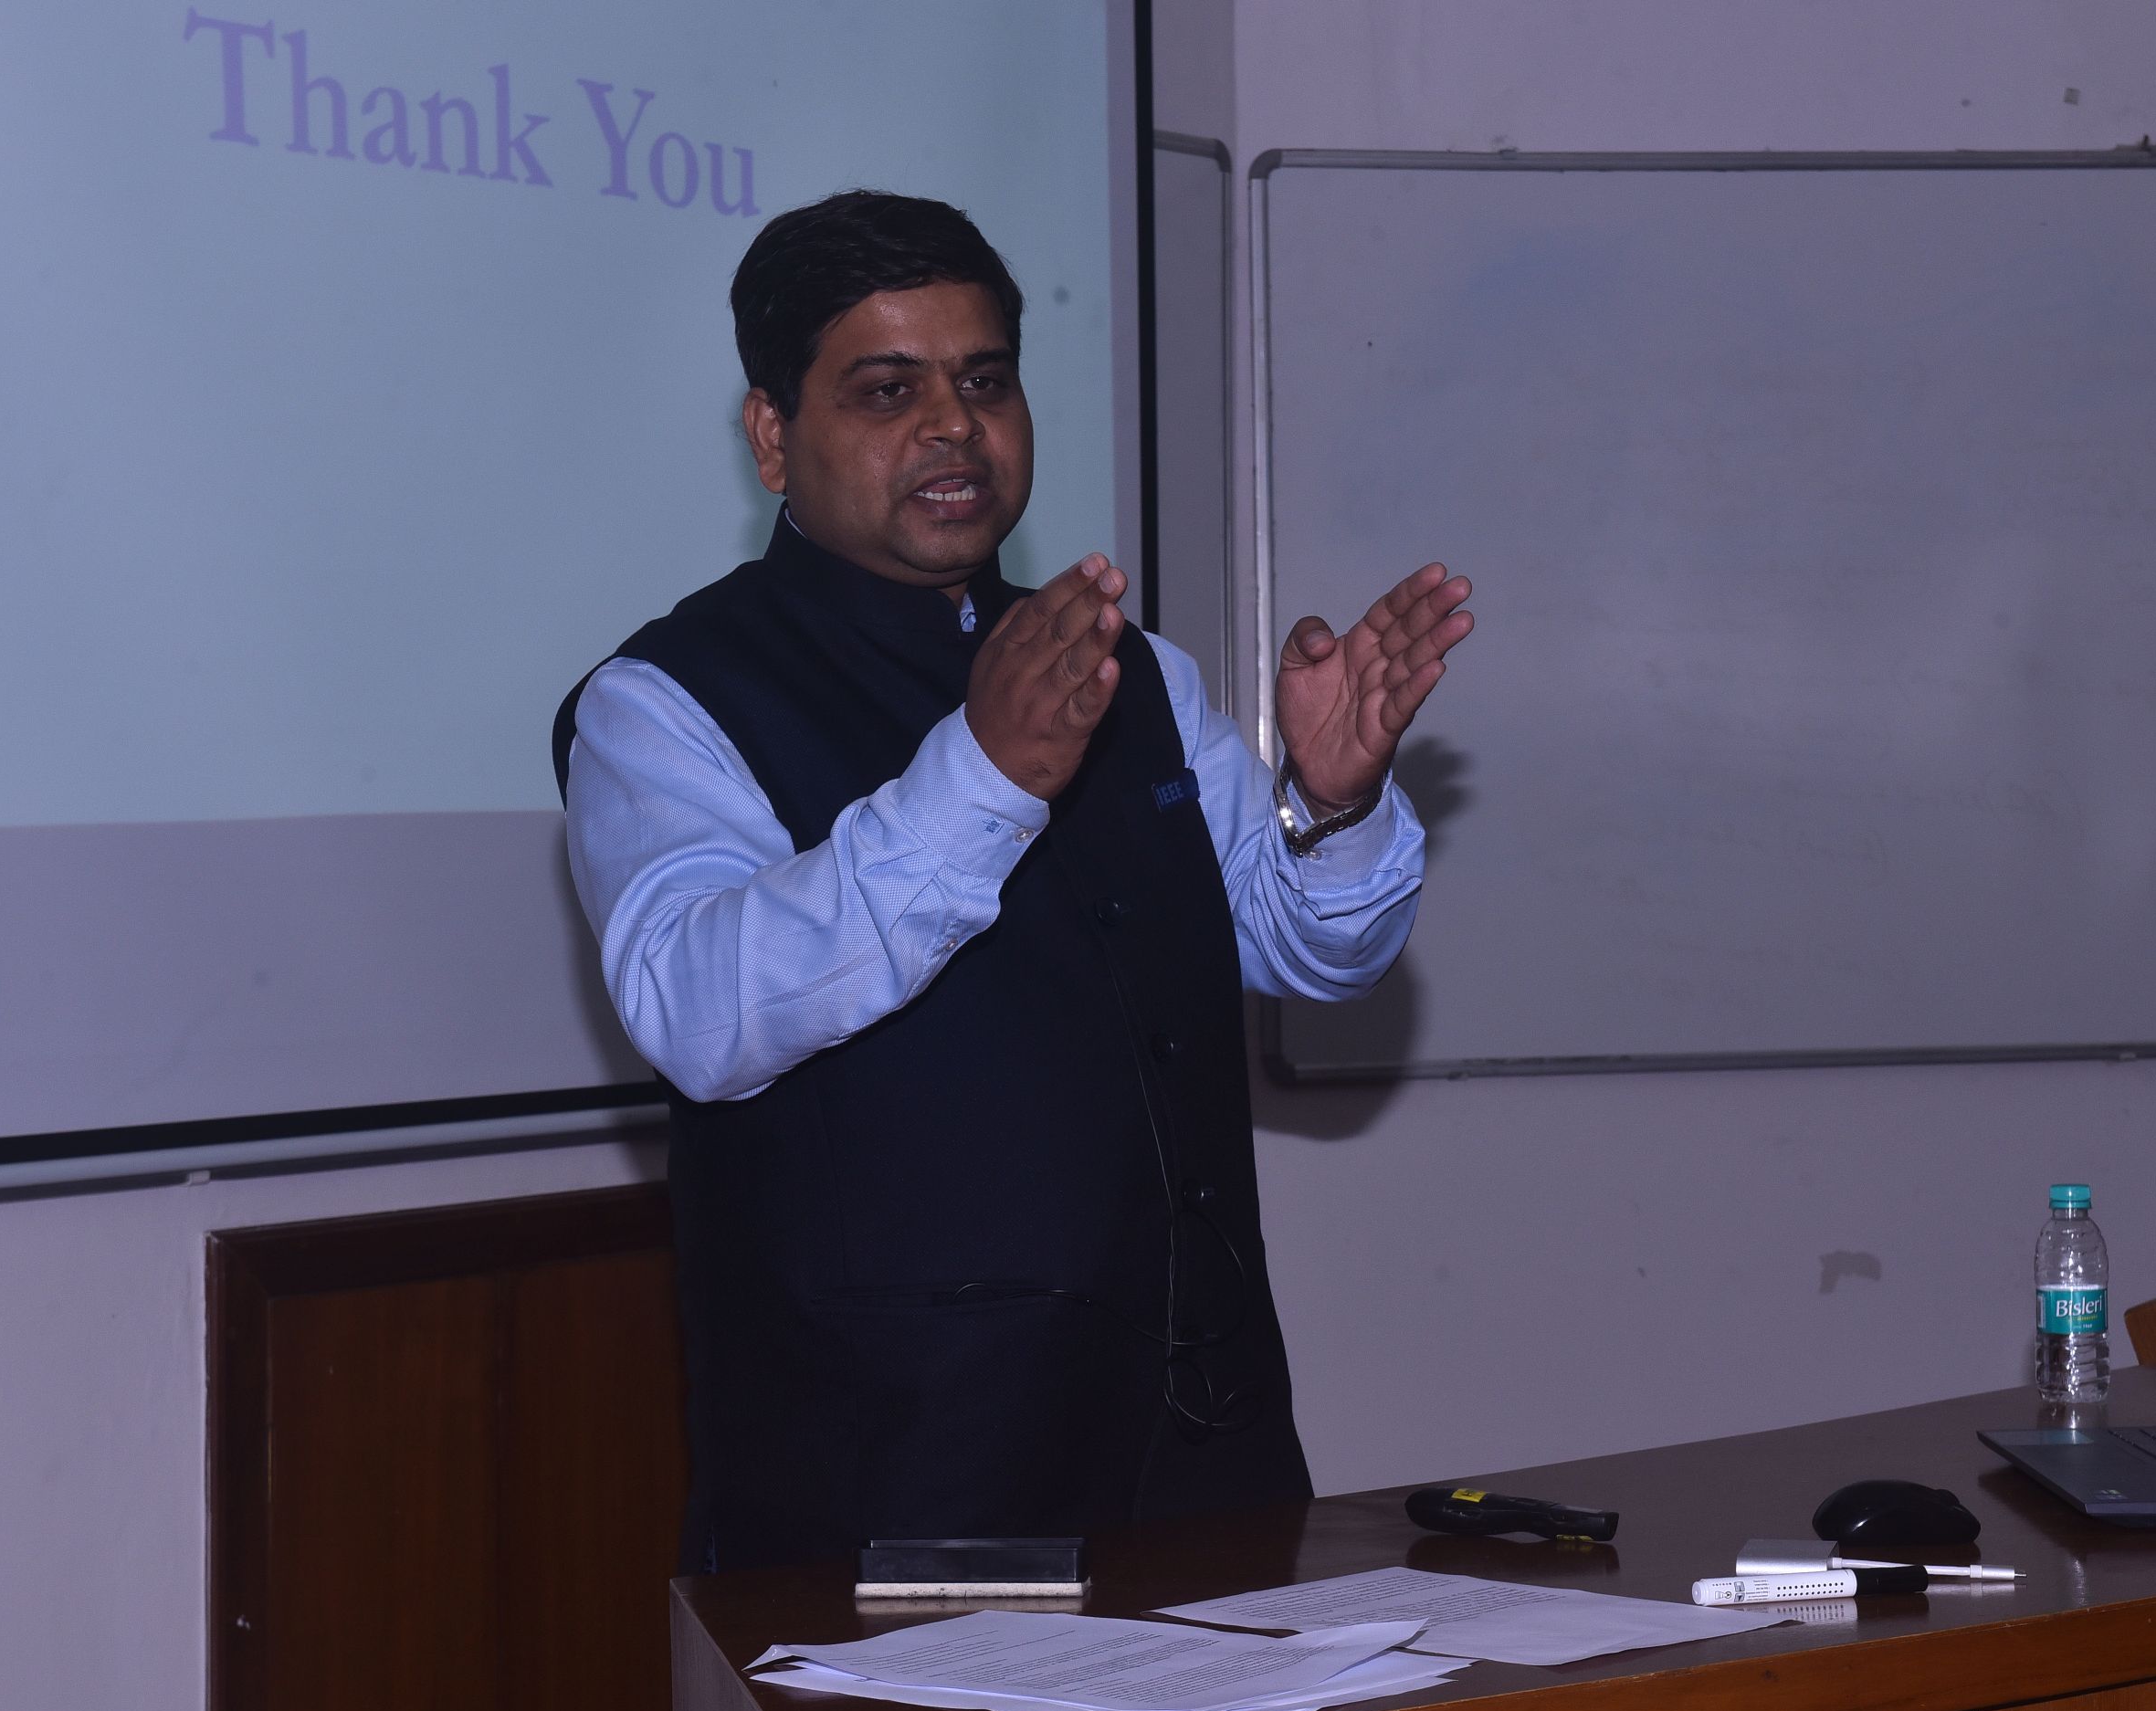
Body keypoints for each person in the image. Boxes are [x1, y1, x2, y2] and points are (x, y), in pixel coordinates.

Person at [555, 190, 1472, 1572]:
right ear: (772, 437)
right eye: (887, 390)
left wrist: (1332, 803)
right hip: (896, 1481)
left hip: (1205, 1452)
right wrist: (983, 778)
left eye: (985, 382)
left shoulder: (1139, 673)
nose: (952, 427)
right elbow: (697, 1012)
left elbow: (1308, 953)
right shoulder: (664, 702)